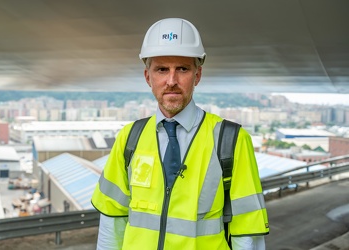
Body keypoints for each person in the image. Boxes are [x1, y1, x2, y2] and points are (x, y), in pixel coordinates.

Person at [91, 18, 269, 249]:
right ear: (148, 77)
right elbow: (111, 222)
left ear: (197, 75)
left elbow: (248, 232)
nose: (172, 81)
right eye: (162, 69)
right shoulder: (129, 138)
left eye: (182, 69)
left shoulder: (231, 140)